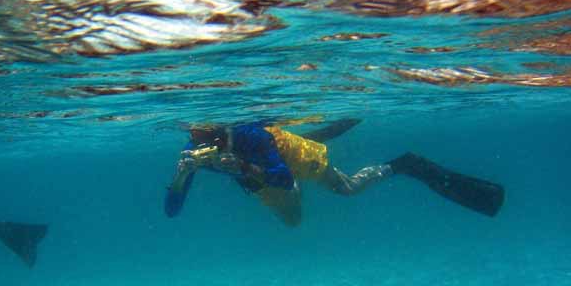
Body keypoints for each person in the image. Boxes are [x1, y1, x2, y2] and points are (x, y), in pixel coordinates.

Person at [164, 120, 504, 225]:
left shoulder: (251, 134)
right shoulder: (192, 155)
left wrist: (242, 166)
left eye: (206, 135)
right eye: (194, 136)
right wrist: (180, 176)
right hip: (260, 179)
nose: (198, 140)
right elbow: (171, 211)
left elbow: (281, 177)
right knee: (294, 222)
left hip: (288, 160)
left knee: (347, 189)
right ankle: (292, 174)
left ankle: (404, 164)